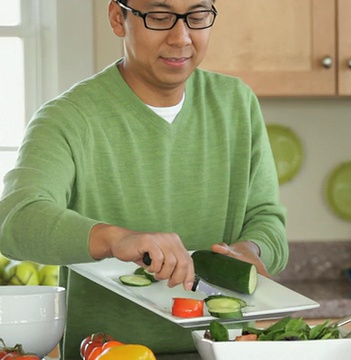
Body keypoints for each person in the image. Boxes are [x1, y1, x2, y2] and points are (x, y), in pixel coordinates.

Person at [0, 0, 288, 358]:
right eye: (160, 17)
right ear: (118, 18)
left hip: (226, 351)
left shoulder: (236, 104)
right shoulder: (67, 118)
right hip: (107, 353)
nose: (181, 37)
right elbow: (16, 220)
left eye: (197, 17)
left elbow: (267, 219)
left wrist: (249, 251)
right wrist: (115, 239)